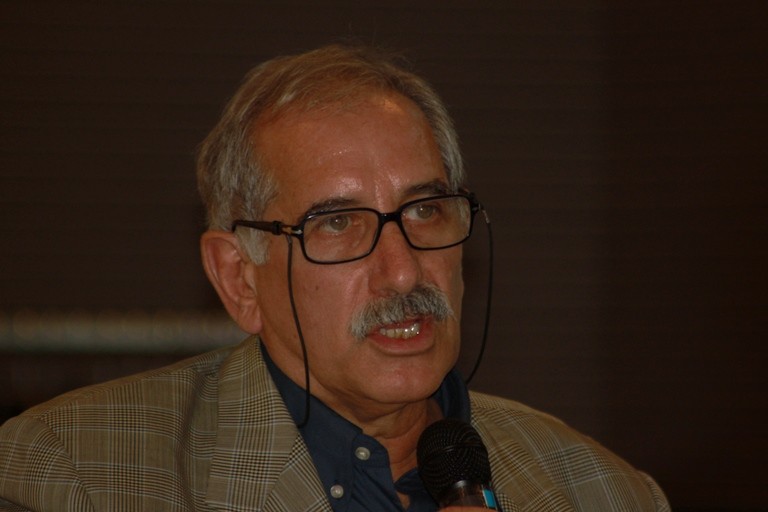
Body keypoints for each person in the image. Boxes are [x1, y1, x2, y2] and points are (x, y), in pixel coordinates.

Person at [0, 44, 669, 511]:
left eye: (426, 210)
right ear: (239, 278)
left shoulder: (607, 493)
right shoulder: (65, 474)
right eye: (338, 224)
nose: (403, 271)